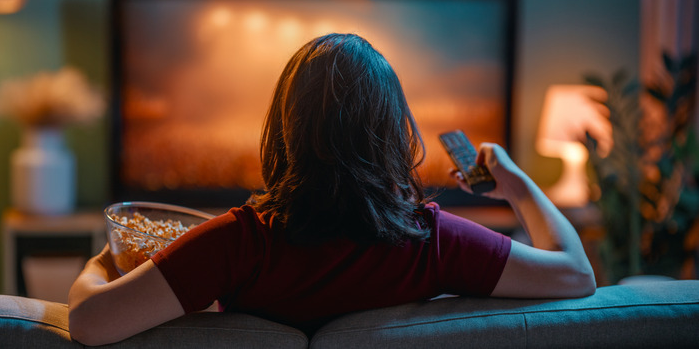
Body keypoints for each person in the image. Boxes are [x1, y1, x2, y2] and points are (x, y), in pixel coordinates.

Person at [68, 33, 595, 346]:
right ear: (391, 133)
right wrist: (519, 187)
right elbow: (576, 274)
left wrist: (105, 263)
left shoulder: (238, 243)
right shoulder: (431, 243)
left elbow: (88, 324)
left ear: (285, 129)